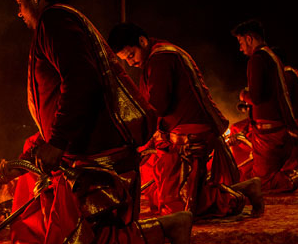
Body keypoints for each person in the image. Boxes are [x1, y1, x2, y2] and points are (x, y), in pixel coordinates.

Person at [0, 0, 192, 244]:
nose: (18, 12)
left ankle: (168, 227)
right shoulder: (65, 21)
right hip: (88, 152)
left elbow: (81, 80)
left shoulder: (54, 21)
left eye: (19, 1)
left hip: (97, 156)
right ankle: (165, 227)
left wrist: (57, 142)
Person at [107, 23, 264, 219]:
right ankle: (244, 188)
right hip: (184, 131)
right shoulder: (159, 55)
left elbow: (158, 105)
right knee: (164, 187)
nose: (130, 63)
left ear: (142, 41)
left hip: (192, 134)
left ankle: (238, 195)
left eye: (131, 55)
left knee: (177, 205)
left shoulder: (161, 58)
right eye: (125, 60)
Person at [231, 20, 298, 193]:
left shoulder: (257, 59)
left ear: (249, 39)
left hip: (269, 132)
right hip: (281, 129)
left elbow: (257, 97)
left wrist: (244, 95)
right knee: (263, 173)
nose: (240, 49)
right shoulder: (272, 57)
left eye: (241, 43)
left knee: (261, 182)